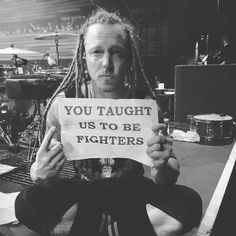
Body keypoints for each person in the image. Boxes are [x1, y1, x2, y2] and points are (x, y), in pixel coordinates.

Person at [15, 9, 202, 236]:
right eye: (96, 52)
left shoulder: (145, 102)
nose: (106, 63)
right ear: (84, 56)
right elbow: (41, 172)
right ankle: (124, 229)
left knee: (189, 202)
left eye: (117, 53)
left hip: (131, 190)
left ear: (129, 58)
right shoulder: (64, 104)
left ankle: (92, 228)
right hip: (82, 189)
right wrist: (40, 173)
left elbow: (166, 179)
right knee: (26, 203)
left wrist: (161, 166)